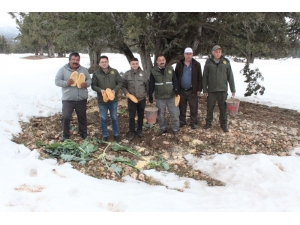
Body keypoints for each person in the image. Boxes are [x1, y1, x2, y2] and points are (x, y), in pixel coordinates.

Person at [55, 52, 92, 142]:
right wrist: (66, 83)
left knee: (82, 116)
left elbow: (89, 79)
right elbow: (57, 81)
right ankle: (65, 135)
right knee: (66, 117)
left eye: (77, 60)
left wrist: (86, 84)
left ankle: (83, 133)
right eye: (73, 60)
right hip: (68, 99)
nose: (75, 62)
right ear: (69, 60)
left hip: (81, 99)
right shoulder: (63, 70)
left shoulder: (83, 70)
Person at [202, 45, 236, 132]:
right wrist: (205, 89)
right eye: (216, 52)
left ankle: (223, 124)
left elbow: (230, 76)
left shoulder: (225, 62)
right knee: (210, 107)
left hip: (222, 90)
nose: (218, 53)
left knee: (223, 108)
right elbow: (205, 76)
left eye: (219, 52)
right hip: (212, 90)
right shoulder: (208, 62)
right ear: (213, 53)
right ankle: (208, 123)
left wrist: (233, 89)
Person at [91, 55, 123, 142]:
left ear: (108, 62)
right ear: (99, 63)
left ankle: (116, 134)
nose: (104, 63)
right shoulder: (96, 73)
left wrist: (114, 90)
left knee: (114, 117)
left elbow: (120, 83)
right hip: (102, 100)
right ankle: (105, 135)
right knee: (104, 118)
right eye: (102, 62)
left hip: (113, 99)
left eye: (105, 62)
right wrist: (100, 90)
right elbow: (93, 85)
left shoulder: (114, 72)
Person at [148, 54, 180, 137]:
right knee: (161, 114)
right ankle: (163, 128)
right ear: (157, 61)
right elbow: (151, 84)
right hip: (160, 97)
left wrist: (176, 90)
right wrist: (150, 94)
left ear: (165, 60)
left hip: (171, 96)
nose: (162, 62)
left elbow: (175, 80)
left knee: (175, 113)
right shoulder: (153, 71)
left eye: (163, 60)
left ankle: (175, 128)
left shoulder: (170, 69)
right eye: (160, 60)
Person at [175, 47, 203, 129]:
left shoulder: (196, 64)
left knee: (193, 107)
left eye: (190, 54)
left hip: (192, 90)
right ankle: (182, 121)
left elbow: (200, 78)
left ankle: (193, 122)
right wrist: (176, 89)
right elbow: (176, 76)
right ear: (184, 54)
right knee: (182, 107)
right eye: (187, 54)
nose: (188, 55)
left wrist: (199, 89)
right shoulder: (179, 64)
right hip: (182, 90)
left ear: (192, 55)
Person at [122, 58, 149, 141]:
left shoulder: (143, 74)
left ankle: (139, 130)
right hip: (131, 99)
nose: (135, 65)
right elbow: (123, 85)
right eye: (133, 63)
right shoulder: (127, 74)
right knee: (131, 116)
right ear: (130, 64)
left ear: (138, 64)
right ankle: (132, 131)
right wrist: (126, 93)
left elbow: (147, 85)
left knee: (141, 115)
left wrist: (147, 95)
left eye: (136, 63)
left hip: (141, 99)